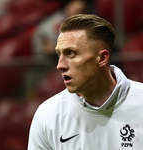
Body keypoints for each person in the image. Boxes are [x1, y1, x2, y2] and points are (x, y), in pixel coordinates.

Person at [28, 14, 143, 149]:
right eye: (59, 54)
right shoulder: (48, 115)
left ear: (102, 58)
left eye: (71, 53)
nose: (60, 65)